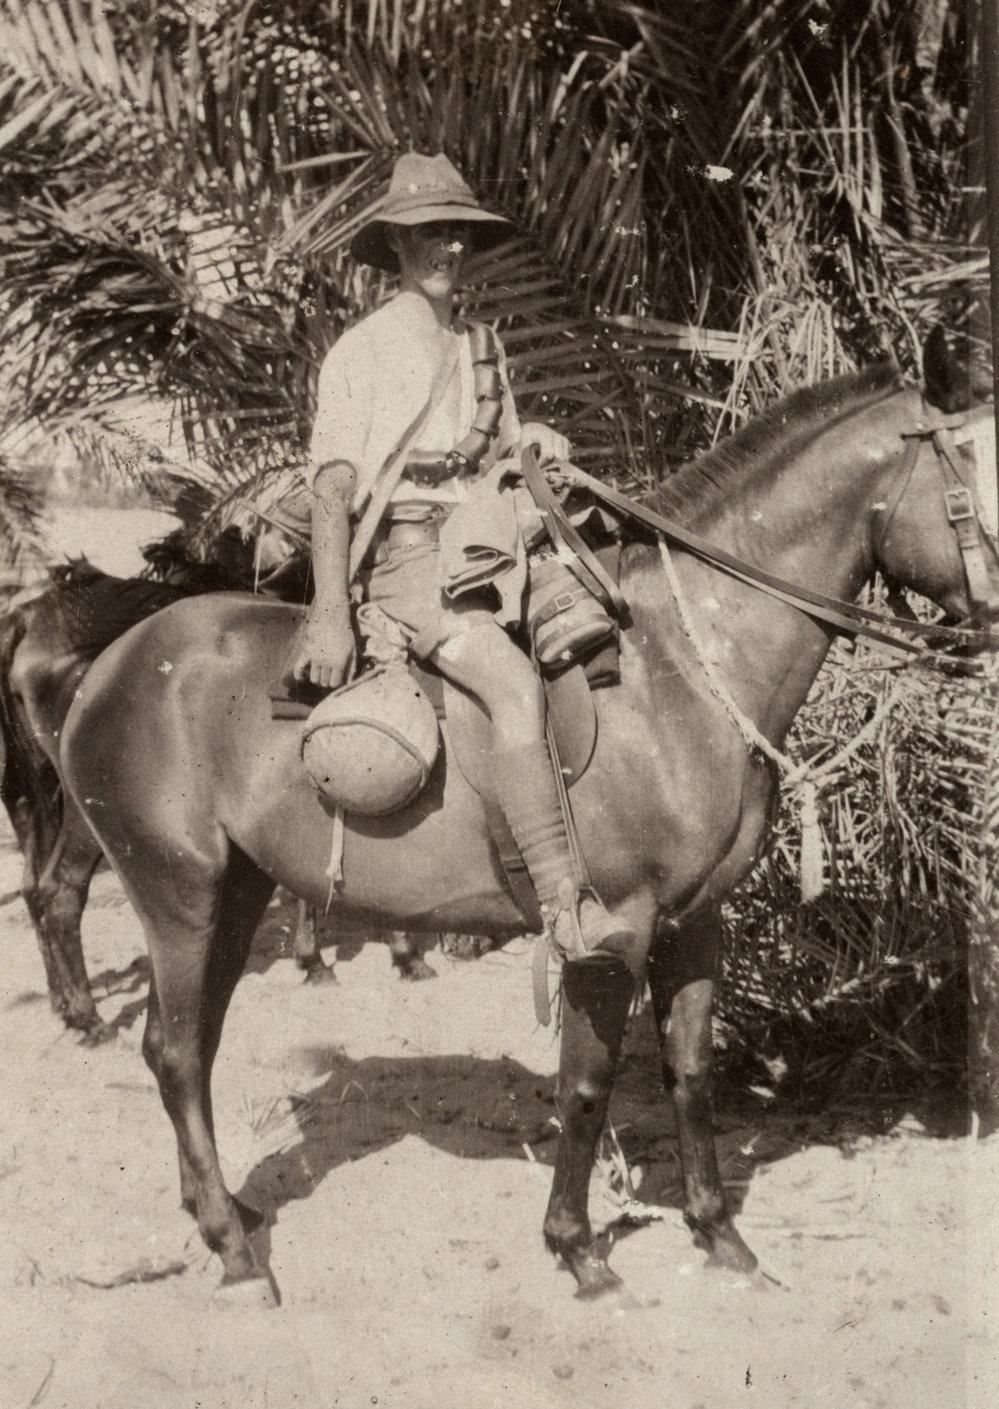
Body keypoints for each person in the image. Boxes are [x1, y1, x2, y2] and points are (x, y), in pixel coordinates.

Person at [292, 151, 631, 963]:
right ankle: (565, 908)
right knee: (514, 685)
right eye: (429, 234)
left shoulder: (483, 348)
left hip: (488, 554)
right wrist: (331, 612)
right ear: (397, 249)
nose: (447, 250)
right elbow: (331, 491)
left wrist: (534, 441)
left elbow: (499, 457)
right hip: (410, 564)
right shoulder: (362, 350)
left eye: (457, 235)